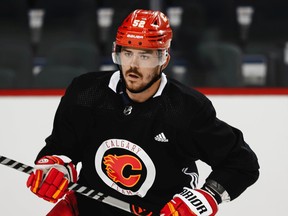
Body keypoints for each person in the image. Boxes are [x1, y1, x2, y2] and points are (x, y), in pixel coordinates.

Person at [26, 9, 259, 216]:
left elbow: (241, 163)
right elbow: (61, 146)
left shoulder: (185, 109)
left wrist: (208, 195)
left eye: (145, 56)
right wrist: (55, 166)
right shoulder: (86, 92)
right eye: (127, 53)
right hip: (88, 208)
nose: (133, 66)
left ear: (164, 59)